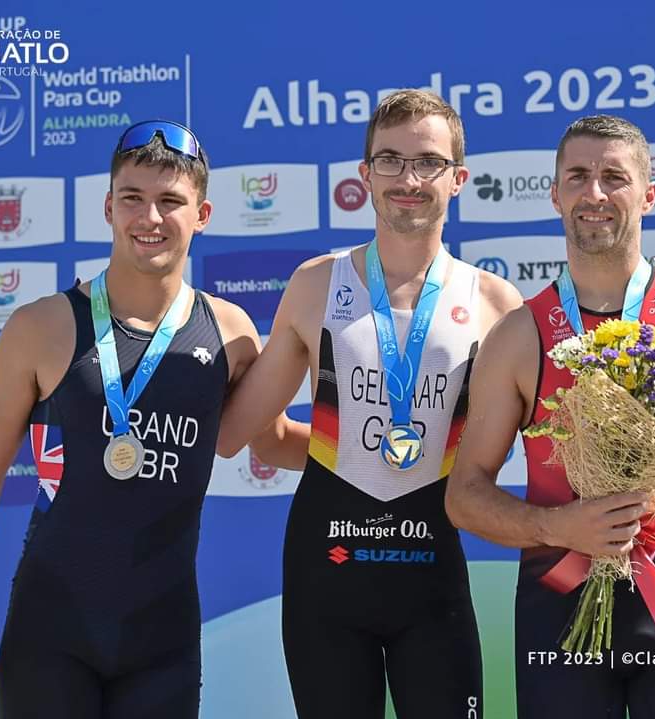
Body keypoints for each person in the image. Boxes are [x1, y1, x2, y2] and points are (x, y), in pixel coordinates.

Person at [0, 120, 308, 719]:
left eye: (170, 202)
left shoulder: (231, 334)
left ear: (204, 213)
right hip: (50, 635)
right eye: (133, 199)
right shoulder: (42, 327)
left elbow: (274, 441)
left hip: (162, 645)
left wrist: (389, 458)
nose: (150, 218)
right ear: (109, 206)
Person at [216, 89, 522, 719]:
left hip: (432, 575)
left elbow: (541, 448)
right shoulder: (315, 284)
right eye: (389, 160)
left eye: (429, 162)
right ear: (364, 175)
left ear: (458, 179)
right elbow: (244, 438)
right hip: (326, 574)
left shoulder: (496, 303)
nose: (408, 179)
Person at [445, 115, 655, 719]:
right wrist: (561, 528)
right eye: (578, 177)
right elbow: (464, 496)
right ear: (554, 194)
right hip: (560, 603)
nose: (595, 193)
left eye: (615, 177)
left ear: (649, 194)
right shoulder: (519, 336)